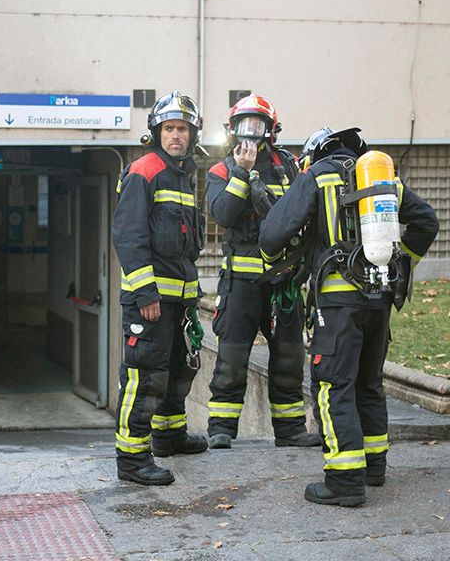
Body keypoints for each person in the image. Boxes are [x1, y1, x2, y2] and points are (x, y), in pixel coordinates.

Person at [260, 128, 438, 507]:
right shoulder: (380, 177)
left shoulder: (317, 175)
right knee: (368, 384)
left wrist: (278, 265)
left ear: (314, 153)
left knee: (332, 385)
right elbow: (427, 221)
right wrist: (402, 263)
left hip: (338, 304)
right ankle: (374, 469)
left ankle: (344, 481)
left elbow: (273, 234)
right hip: (379, 298)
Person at [204, 95, 320, 449]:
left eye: (257, 126)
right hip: (241, 285)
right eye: (244, 126)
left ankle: (290, 431)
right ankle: (221, 429)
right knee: (232, 357)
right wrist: (241, 173)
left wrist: (301, 267)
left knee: (289, 357)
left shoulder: (292, 167)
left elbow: (307, 213)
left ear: (271, 130)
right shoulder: (222, 170)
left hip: (284, 283)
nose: (250, 134)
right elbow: (222, 215)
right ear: (231, 131)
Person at [111, 91, 210, 486]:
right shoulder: (144, 170)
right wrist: (146, 294)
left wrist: (192, 297)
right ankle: (133, 459)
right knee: (145, 376)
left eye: (182, 129)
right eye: (169, 128)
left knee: (177, 371)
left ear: (191, 134)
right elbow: (129, 236)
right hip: (150, 302)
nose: (176, 136)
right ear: (157, 131)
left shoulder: (184, 175)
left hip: (180, 300)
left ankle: (169, 436)